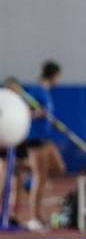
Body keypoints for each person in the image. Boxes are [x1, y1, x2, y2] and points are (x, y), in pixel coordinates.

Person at [8, 62, 67, 229]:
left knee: (58, 167)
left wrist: (47, 117)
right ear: (54, 75)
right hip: (34, 138)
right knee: (40, 177)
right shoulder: (35, 91)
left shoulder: (45, 92)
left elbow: (44, 112)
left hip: (45, 137)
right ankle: (34, 218)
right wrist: (37, 113)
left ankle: (25, 175)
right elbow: (24, 112)